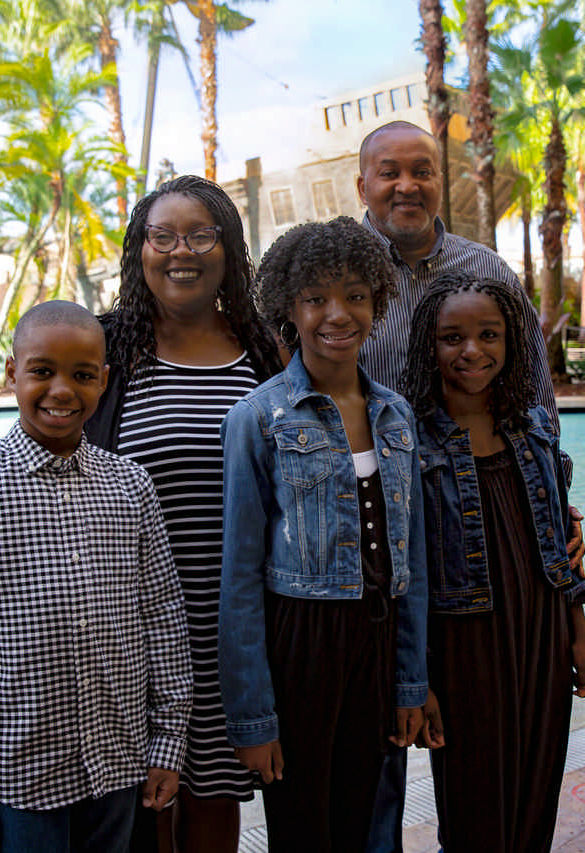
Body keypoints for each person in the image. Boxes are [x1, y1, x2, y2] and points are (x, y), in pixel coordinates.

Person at [0, 176, 285, 853]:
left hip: (232, 622)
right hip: (125, 631)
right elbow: (54, 416)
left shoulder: (262, 351)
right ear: (139, 249)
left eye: (201, 235)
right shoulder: (113, 344)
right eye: (162, 235)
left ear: (229, 248)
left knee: (214, 795)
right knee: (141, 810)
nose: (181, 250)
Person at [354, 119, 585, 851]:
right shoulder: (341, 275)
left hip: (499, 518)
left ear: (440, 180)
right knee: (389, 769)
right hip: (387, 539)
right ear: (362, 184)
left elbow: (537, 399)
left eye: (421, 170)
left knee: (525, 756)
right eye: (389, 172)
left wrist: (558, 511)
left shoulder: (485, 268)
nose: (407, 185)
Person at [0, 300, 193, 852]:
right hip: (21, 770)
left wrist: (167, 741)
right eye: (42, 371)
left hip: (117, 760)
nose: (61, 391)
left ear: (103, 381)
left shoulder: (131, 485)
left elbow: (162, 617)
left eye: (82, 375)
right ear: (11, 373)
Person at [217, 217, 427, 853]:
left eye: (355, 296)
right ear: (290, 307)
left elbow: (411, 565)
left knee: (368, 817)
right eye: (316, 299)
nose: (338, 314)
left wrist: (410, 683)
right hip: (300, 643)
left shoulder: (396, 416)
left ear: (377, 302)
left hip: (376, 640)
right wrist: (254, 718)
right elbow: (240, 579)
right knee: (303, 823)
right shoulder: (259, 418)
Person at [402, 272, 585, 852]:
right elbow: (405, 577)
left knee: (536, 796)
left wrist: (578, 637)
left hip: (541, 637)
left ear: (510, 342)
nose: (473, 350)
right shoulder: (410, 443)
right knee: (474, 809)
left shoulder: (533, 430)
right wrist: (417, 680)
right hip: (464, 649)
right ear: (428, 346)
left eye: (489, 335)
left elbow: (561, 543)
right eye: (452, 337)